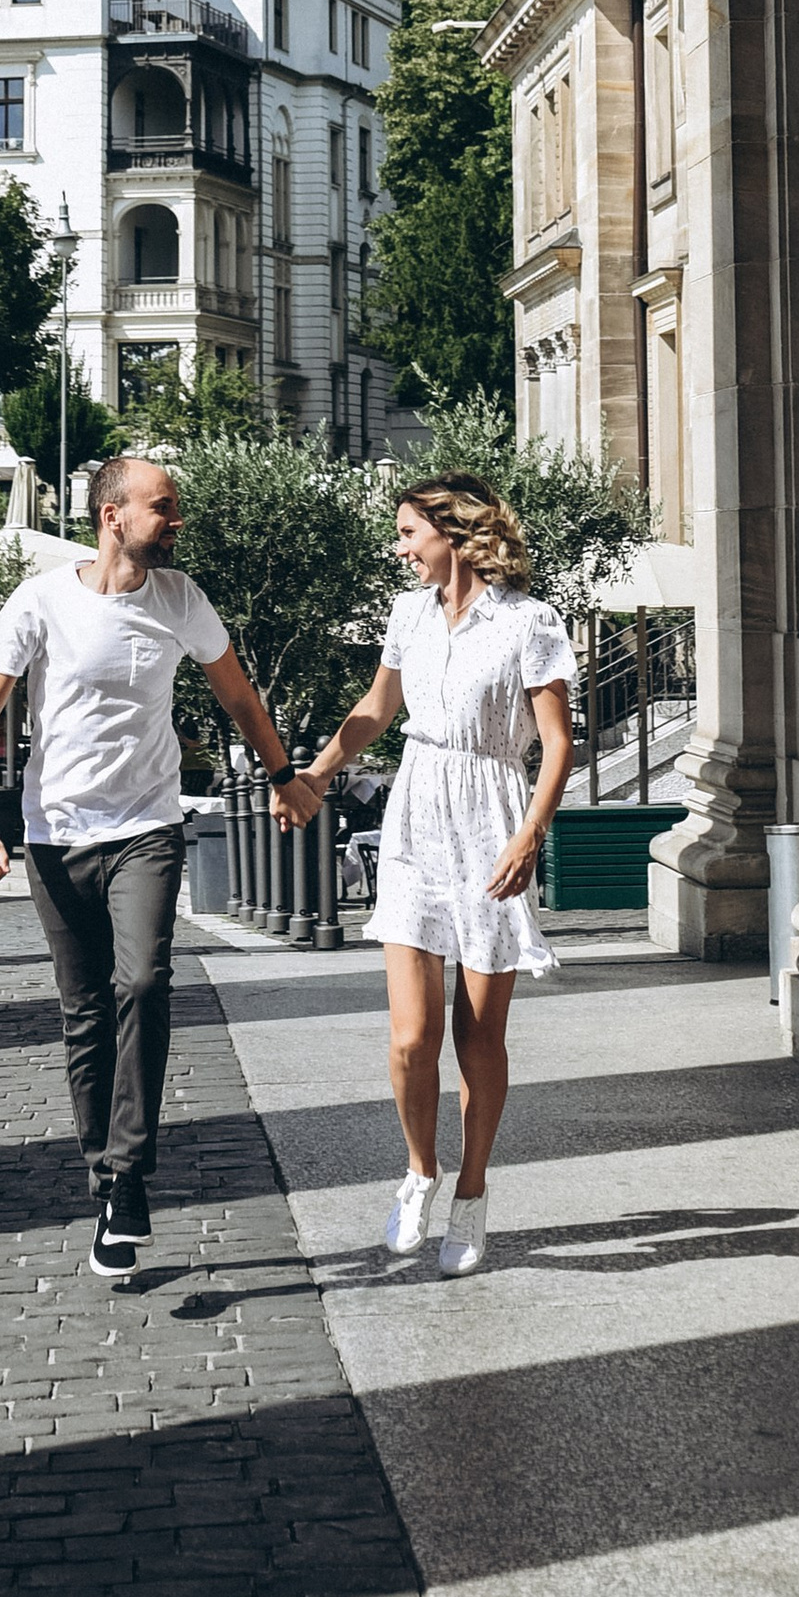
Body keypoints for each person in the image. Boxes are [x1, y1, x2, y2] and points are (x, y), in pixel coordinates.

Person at [0, 451, 315, 1279]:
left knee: (145, 983)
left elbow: (239, 696)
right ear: (113, 515)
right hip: (56, 837)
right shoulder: (40, 600)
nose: (176, 519)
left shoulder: (180, 598)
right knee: (84, 1014)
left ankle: (127, 1176)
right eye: (164, 506)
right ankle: (105, 1180)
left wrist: (284, 774)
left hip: (147, 827)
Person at [293, 474, 574, 1278]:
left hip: (491, 820)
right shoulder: (408, 614)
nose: (400, 546)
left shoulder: (529, 621)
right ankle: (421, 1170)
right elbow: (377, 711)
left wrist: (530, 836)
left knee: (478, 1036)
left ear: (454, 532)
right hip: (418, 815)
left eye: (409, 531)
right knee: (412, 1036)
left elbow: (556, 745)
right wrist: (313, 777)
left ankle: (474, 1193)